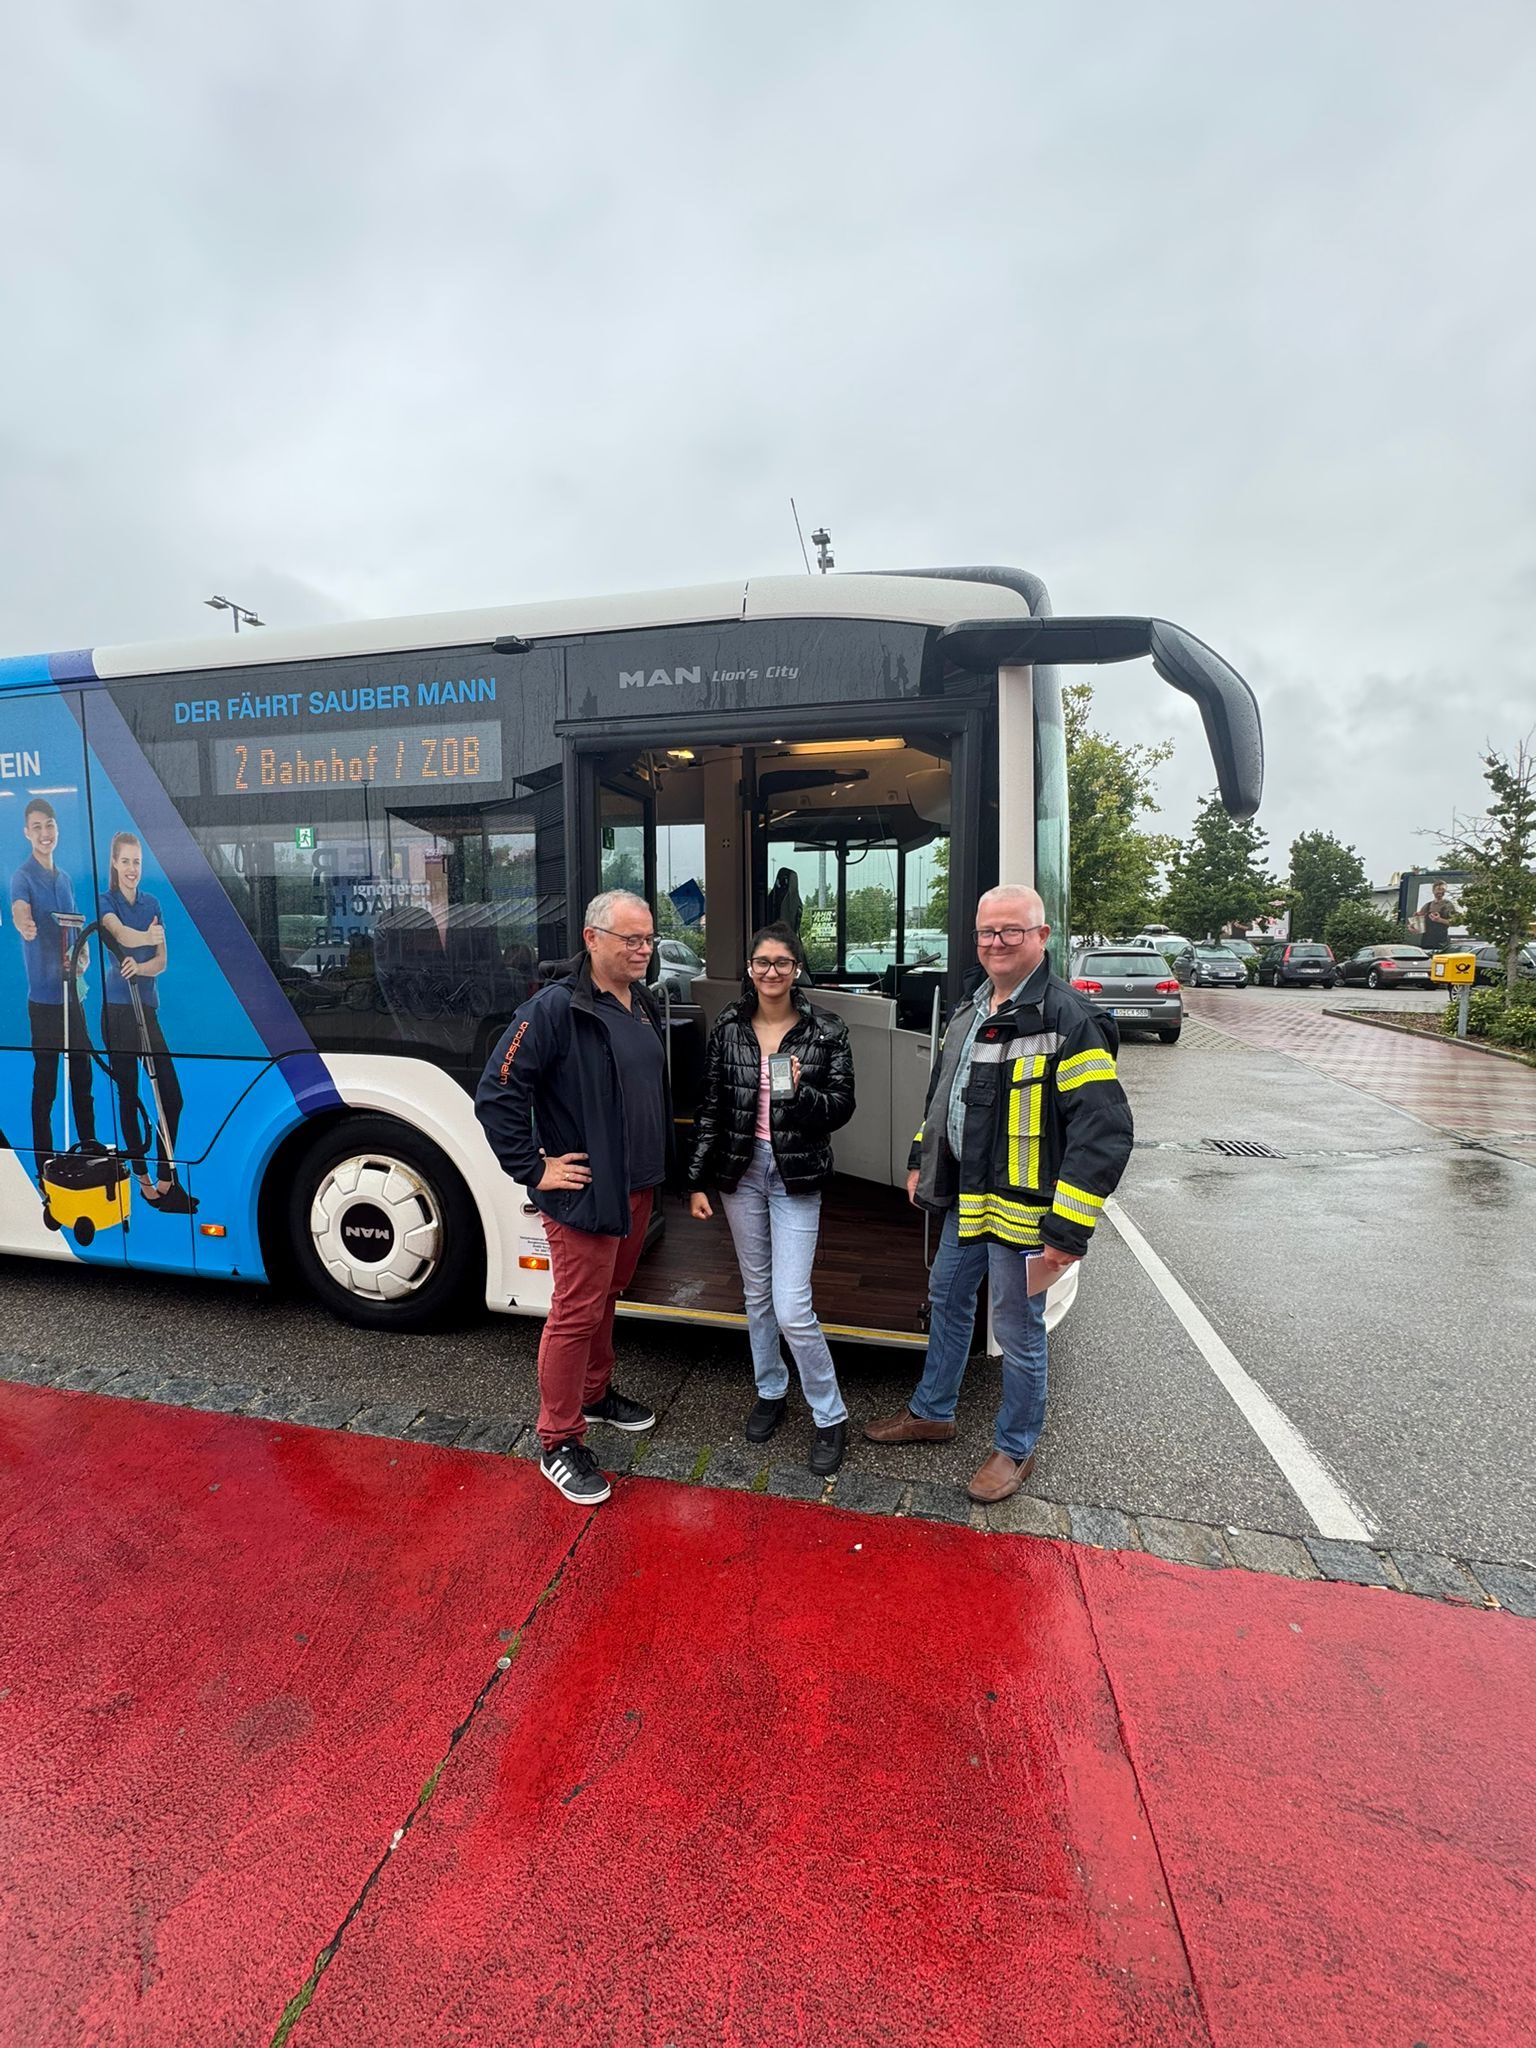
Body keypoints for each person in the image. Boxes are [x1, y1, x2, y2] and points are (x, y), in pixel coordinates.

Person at [865, 885, 1133, 1503]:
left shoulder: (1068, 1018)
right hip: (969, 1197)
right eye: (987, 931)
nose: (996, 942)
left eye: (1012, 930)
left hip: (1026, 1214)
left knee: (1017, 1329)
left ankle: (1015, 1448)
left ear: (1042, 936)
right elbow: (943, 1099)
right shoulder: (971, 1007)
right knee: (947, 1297)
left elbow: (1104, 1132)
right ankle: (933, 1412)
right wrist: (921, 1159)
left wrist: (1068, 1232)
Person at [475, 889, 666, 1505]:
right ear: (592, 938)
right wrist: (533, 1168)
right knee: (576, 1311)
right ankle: (558, 1439)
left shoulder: (642, 1002)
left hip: (637, 1187)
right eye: (630, 939)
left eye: (648, 939)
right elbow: (497, 1092)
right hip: (586, 1192)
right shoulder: (554, 1008)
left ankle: (595, 1393)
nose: (643, 949)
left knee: (606, 1296)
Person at [687, 921, 855, 1475]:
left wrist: (802, 1093)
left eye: (783, 962)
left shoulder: (826, 1031)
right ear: (750, 969)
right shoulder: (729, 1028)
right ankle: (771, 1389)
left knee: (792, 1306)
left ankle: (830, 1414)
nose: (772, 971)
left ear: (797, 969)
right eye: (762, 962)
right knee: (757, 1295)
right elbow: (711, 1106)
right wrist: (696, 1179)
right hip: (741, 1172)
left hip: (796, 1176)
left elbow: (841, 1108)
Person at [98, 831, 188, 1209]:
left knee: (172, 1096)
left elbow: (161, 962)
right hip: (117, 1013)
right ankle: (142, 1178)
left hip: (146, 1008)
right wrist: (147, 938)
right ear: (114, 863)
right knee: (130, 1096)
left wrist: (141, 964)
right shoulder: (106, 902)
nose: (132, 868)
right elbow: (119, 934)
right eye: (125, 861)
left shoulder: (152, 903)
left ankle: (167, 1175)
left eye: (136, 861)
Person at [9, 797, 100, 1169]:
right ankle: (43, 1165)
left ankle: (90, 1149)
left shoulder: (64, 880)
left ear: (56, 829)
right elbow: (19, 910)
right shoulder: (23, 877)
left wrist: (82, 958)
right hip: (44, 1002)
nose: (44, 833)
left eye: (49, 825)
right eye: (37, 827)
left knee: (83, 1076)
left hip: (72, 998)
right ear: (27, 833)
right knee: (46, 1083)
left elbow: (78, 931)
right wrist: (25, 924)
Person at [1415, 882, 1462, 953]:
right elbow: (1419, 926)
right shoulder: (1427, 905)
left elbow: (1455, 922)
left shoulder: (1448, 905)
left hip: (1441, 943)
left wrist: (1439, 920)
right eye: (1438, 889)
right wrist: (1415, 923)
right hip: (1426, 942)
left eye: (1442, 889)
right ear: (1433, 891)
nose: (1440, 892)